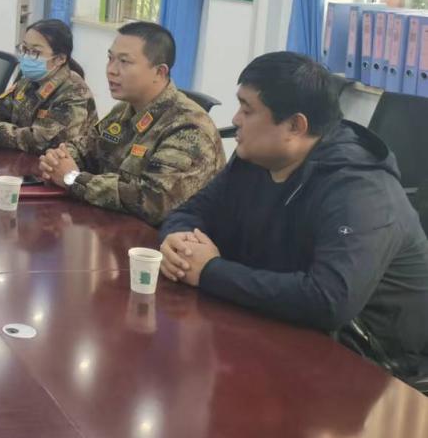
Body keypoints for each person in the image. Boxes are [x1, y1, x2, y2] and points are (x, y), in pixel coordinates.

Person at [159, 52, 428, 382]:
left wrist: (210, 271)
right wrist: (178, 241)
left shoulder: (361, 190)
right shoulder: (254, 159)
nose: (236, 119)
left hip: (368, 363)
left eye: (248, 110)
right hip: (278, 328)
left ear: (295, 126)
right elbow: (191, 211)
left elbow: (329, 300)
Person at [38, 21, 224, 225]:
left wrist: (73, 178)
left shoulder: (189, 128)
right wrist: (57, 160)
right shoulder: (124, 110)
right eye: (110, 58)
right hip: (113, 227)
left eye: (124, 62)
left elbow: (153, 201)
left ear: (159, 72)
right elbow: (87, 148)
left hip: (158, 240)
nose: (111, 70)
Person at [0, 19, 97, 153]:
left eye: (35, 52)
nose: (27, 56)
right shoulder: (29, 80)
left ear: (60, 59)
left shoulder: (75, 93)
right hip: (21, 160)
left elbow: (40, 140)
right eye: (25, 49)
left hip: (55, 171)